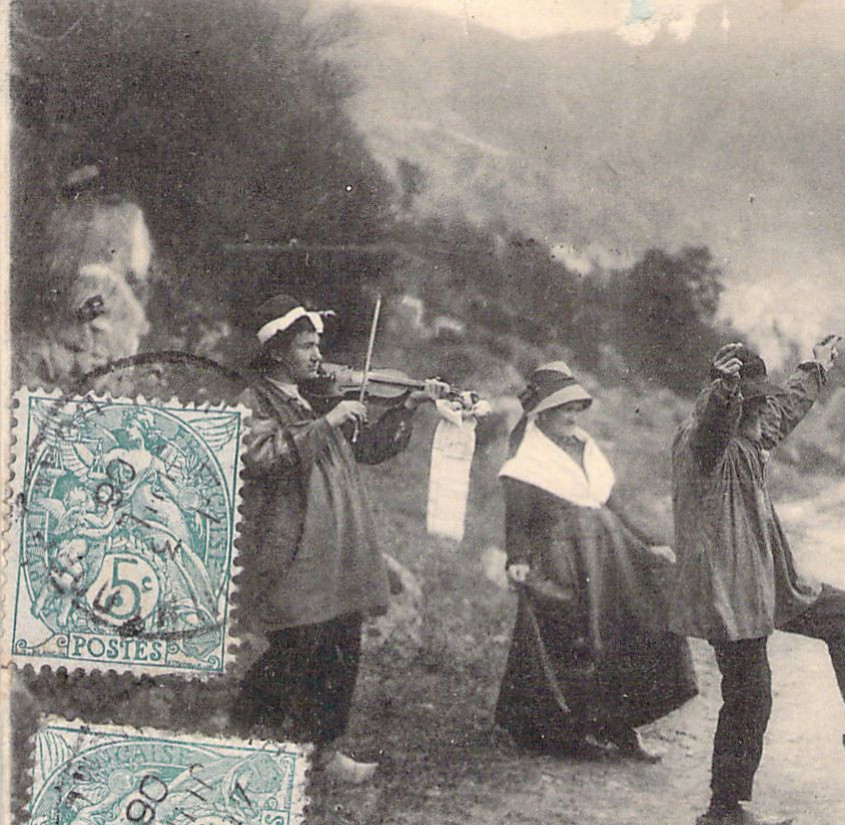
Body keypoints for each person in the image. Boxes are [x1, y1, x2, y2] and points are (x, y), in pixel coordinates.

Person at [671, 339, 845, 825]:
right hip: (728, 593)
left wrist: (813, 368)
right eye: (753, 400)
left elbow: (782, 411)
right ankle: (725, 808)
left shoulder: (749, 436)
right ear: (731, 400)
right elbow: (712, 430)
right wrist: (724, 395)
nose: (763, 407)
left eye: (757, 398)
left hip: (766, 582)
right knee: (750, 695)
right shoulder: (701, 444)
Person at [233, 295, 447, 783]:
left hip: (339, 542)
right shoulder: (255, 401)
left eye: (316, 346)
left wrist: (407, 408)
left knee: (341, 640)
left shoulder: (317, 397)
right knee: (298, 641)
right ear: (277, 351)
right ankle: (247, 729)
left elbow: (369, 449)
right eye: (305, 346)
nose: (316, 356)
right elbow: (260, 455)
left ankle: (324, 750)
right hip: (292, 543)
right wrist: (324, 423)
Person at [495, 362, 698, 761]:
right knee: (574, 639)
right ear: (542, 415)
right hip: (561, 560)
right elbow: (517, 519)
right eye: (562, 409)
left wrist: (647, 542)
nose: (572, 417)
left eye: (575, 408)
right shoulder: (527, 460)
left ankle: (621, 726)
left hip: (609, 556)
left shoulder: (584, 445)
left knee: (629, 628)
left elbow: (612, 505)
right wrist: (517, 559)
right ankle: (568, 732)